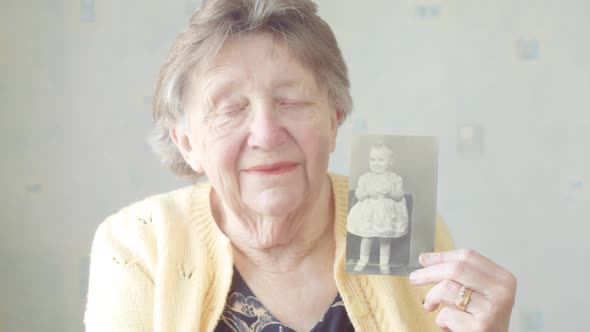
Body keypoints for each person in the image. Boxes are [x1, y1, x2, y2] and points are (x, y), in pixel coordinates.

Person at [84, 0, 517, 331]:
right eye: (230, 107)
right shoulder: (137, 243)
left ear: (334, 120)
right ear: (187, 143)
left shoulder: (403, 223)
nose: (267, 134)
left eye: (291, 100)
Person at [347, 141, 409, 274]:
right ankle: (362, 261)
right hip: (369, 216)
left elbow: (400, 195)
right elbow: (358, 194)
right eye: (373, 159)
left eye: (381, 159)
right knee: (367, 238)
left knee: (385, 240)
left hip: (386, 217)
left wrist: (390, 193)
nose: (376, 163)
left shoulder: (394, 178)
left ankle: (384, 264)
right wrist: (367, 193)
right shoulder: (365, 178)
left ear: (390, 161)